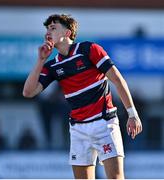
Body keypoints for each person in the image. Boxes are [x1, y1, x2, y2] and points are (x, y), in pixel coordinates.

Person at [23, 14, 142, 179]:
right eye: (47, 29)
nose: (47, 32)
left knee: (116, 178)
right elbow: (28, 92)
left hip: (104, 124)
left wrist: (132, 114)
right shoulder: (53, 65)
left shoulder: (89, 49)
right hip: (78, 129)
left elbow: (117, 79)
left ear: (67, 32)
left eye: (53, 27)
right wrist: (40, 60)